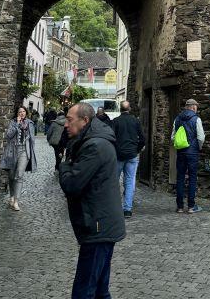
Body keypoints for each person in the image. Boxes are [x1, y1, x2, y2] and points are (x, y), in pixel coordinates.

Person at [59, 102, 125, 299]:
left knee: (85, 291)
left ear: (85, 120)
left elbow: (72, 184)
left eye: (70, 120)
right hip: (100, 223)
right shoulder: (92, 141)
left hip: (98, 225)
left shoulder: (95, 145)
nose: (65, 124)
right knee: (98, 290)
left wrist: (64, 165)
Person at [0, 105, 37, 211]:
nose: (22, 113)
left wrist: (30, 153)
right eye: (20, 111)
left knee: (19, 175)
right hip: (13, 151)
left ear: (26, 113)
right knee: (11, 176)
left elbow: (32, 139)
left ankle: (16, 201)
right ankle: (11, 196)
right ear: (17, 113)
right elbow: (8, 136)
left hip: (24, 151)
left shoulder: (30, 123)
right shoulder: (13, 122)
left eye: (23, 111)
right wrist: (17, 125)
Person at [171, 97, 205, 213]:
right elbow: (201, 137)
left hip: (181, 152)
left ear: (186, 107)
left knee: (180, 178)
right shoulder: (196, 119)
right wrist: (198, 147)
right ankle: (191, 206)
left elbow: (173, 137)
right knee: (192, 178)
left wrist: (179, 146)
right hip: (193, 153)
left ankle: (179, 207)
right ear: (194, 107)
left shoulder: (177, 119)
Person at [112, 100, 146, 218]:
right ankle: (127, 209)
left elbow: (111, 138)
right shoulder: (135, 121)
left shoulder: (115, 122)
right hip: (132, 155)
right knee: (130, 181)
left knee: (114, 181)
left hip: (119, 155)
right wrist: (137, 150)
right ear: (129, 108)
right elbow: (142, 139)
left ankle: (113, 207)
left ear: (120, 109)